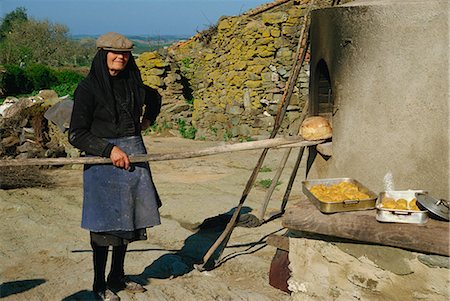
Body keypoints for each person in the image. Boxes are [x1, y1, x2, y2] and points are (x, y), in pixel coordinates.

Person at [69, 32, 162, 301]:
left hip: (133, 158)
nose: (120, 56)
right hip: (102, 163)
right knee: (103, 225)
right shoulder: (88, 88)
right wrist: (109, 149)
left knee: (127, 222)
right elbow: (76, 134)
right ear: (102, 55)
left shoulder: (133, 83)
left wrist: (147, 121)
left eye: (124, 53)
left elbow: (154, 98)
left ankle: (117, 276)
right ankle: (99, 284)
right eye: (113, 52)